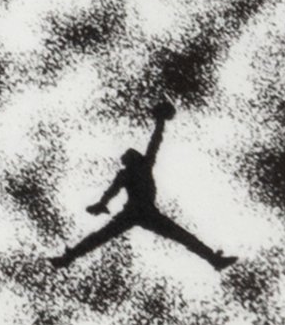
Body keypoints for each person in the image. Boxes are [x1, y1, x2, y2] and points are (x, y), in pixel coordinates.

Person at [50, 101, 237, 271]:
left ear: (132, 158)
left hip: (137, 212)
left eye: (128, 154)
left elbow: (154, 142)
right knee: (183, 237)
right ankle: (214, 260)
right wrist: (101, 204)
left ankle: (68, 258)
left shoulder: (138, 168)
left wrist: (101, 204)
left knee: (100, 237)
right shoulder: (140, 167)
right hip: (143, 212)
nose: (126, 156)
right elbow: (115, 188)